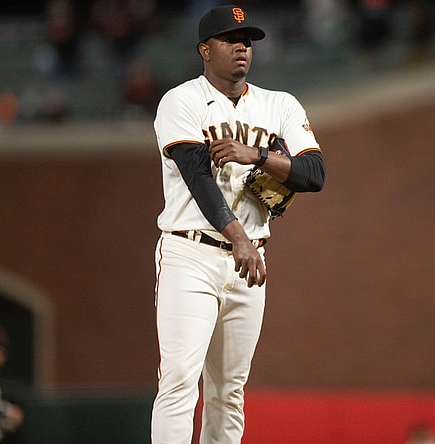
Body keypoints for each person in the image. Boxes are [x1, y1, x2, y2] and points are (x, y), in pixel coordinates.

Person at [150, 4, 326, 443]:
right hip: (191, 252)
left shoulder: (279, 104)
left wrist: (260, 155)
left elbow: (315, 174)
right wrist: (239, 236)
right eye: (230, 39)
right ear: (204, 50)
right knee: (178, 383)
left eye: (246, 40)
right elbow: (197, 176)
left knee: (229, 392)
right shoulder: (182, 100)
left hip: (250, 263)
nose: (241, 47)